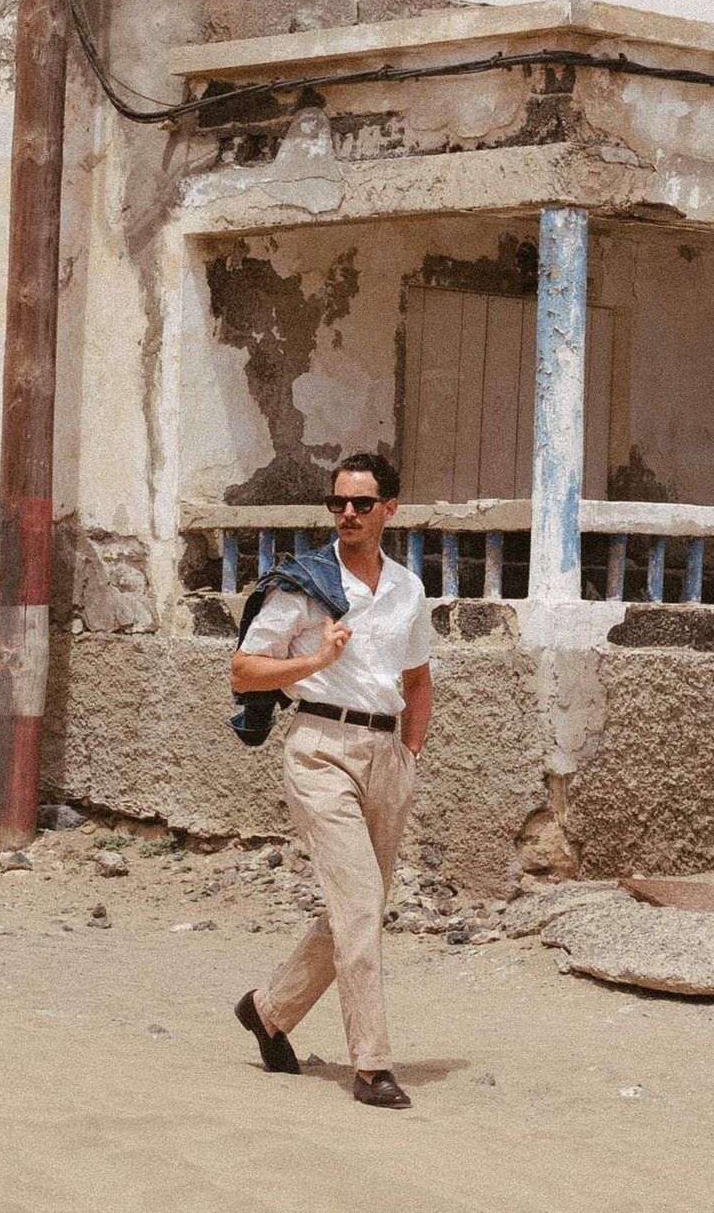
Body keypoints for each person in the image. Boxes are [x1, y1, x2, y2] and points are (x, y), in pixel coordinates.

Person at [228, 452, 436, 1108]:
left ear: (389, 510)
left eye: (361, 504)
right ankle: (372, 1066)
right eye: (338, 503)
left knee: (357, 906)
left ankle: (268, 1010)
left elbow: (418, 680)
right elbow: (243, 670)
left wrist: (410, 753)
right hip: (320, 747)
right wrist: (316, 659)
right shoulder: (305, 584)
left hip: (387, 753)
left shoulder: (407, 589)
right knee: (360, 904)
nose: (347, 513)